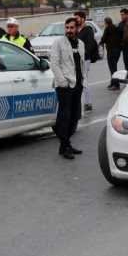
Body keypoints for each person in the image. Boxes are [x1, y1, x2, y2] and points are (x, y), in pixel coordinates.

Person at [50, 17, 87, 159]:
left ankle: (66, 144)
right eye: (67, 28)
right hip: (65, 86)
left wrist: (83, 81)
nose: (69, 31)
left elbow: (82, 64)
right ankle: (65, 146)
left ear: (77, 28)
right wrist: (62, 81)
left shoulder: (81, 44)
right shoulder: (58, 43)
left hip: (77, 85)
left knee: (74, 116)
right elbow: (54, 64)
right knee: (64, 117)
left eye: (72, 28)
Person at [74, 11, 99, 112]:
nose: (75, 20)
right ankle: (82, 102)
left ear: (83, 19)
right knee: (79, 80)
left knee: (83, 79)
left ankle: (88, 103)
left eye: (77, 18)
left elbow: (90, 44)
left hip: (85, 59)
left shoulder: (88, 30)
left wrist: (83, 54)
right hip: (77, 59)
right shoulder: (77, 30)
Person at [100, 17, 122, 91]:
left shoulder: (108, 29)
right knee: (114, 67)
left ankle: (116, 84)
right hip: (117, 51)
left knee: (113, 68)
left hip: (111, 51)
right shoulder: (116, 27)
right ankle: (113, 83)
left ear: (106, 23)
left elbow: (103, 39)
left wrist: (100, 43)